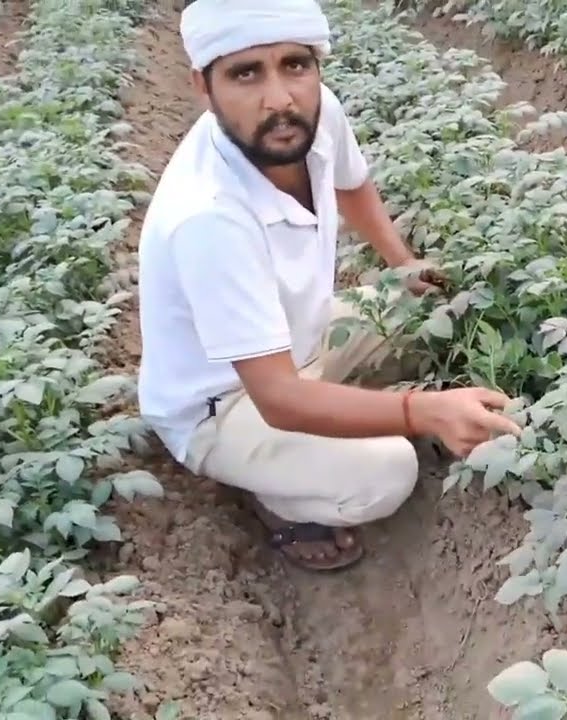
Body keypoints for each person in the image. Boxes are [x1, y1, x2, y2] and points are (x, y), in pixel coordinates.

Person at [135, 0, 522, 571]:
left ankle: (343, 421)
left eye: (295, 65)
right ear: (203, 85)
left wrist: (402, 265)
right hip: (229, 404)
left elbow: (352, 184)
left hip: (301, 334)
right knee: (387, 471)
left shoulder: (312, 117)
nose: (279, 97)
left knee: (430, 311)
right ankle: (283, 502)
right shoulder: (208, 218)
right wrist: (423, 412)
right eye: (246, 73)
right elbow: (279, 398)